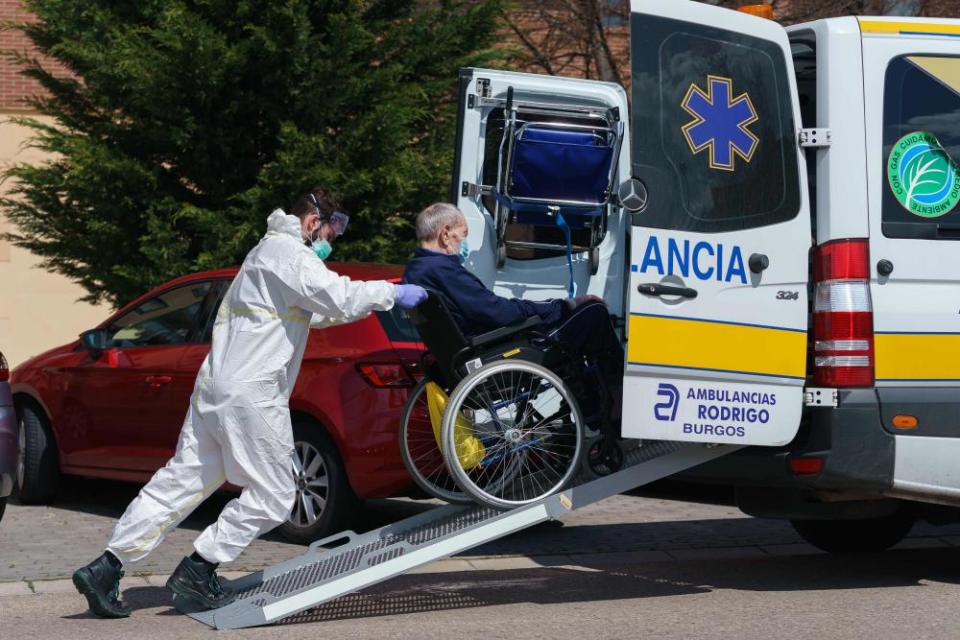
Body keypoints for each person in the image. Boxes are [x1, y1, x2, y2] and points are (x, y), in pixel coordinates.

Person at [72, 187, 428, 618]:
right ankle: (199, 569)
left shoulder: (264, 256)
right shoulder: (287, 253)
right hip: (251, 391)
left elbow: (322, 310)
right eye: (332, 230)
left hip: (216, 387)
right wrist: (393, 293)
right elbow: (335, 295)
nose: (332, 241)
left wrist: (372, 299)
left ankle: (106, 567)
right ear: (312, 222)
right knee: (277, 494)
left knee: (180, 481)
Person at [403, 202, 623, 428]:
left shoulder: (415, 271)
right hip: (492, 350)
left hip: (469, 354)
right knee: (593, 313)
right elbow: (498, 312)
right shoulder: (442, 270)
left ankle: (594, 408)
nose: (463, 243)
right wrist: (560, 306)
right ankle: (616, 405)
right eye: (463, 235)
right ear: (445, 234)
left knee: (576, 324)